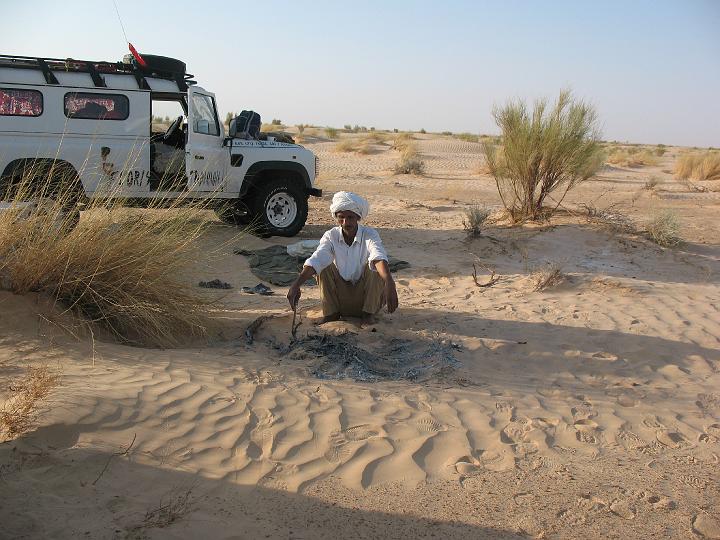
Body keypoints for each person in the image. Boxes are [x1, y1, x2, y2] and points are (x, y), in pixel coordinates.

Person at [287, 191, 399, 324]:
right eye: (341, 217)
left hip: (367, 301)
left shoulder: (370, 234)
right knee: (323, 266)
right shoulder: (331, 236)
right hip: (341, 301)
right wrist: (296, 285)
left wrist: (390, 283)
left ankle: (368, 316)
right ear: (336, 217)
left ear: (358, 217)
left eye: (350, 217)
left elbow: (378, 254)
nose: (346, 222)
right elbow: (318, 258)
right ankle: (331, 314)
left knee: (375, 266)